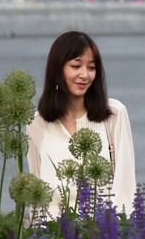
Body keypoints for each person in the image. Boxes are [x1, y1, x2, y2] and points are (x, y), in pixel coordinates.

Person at [27, 30, 135, 216]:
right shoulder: (36, 123)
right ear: (57, 69)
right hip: (53, 235)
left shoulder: (114, 115)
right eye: (76, 66)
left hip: (102, 233)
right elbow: (38, 196)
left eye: (91, 68)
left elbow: (125, 190)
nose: (84, 75)